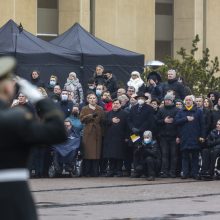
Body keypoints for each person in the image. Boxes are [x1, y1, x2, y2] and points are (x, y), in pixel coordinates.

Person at [0, 56, 66, 220]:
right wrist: (39, 98)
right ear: (8, 88)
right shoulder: (16, 118)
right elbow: (58, 131)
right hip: (13, 197)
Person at [175, 95, 205, 179]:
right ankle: (185, 173)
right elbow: (176, 122)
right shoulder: (181, 111)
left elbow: (202, 125)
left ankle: (194, 173)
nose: (188, 101)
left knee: (195, 157)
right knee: (185, 157)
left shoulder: (198, 111)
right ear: (185, 101)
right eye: (186, 100)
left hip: (195, 137)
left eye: (190, 100)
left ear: (193, 101)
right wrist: (185, 119)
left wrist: (202, 136)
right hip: (184, 137)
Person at [80, 93, 105, 176]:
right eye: (90, 98)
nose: (92, 99)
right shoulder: (84, 108)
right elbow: (82, 119)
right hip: (88, 131)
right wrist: (91, 116)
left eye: (94, 98)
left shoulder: (100, 108)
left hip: (97, 132)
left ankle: (95, 172)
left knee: (97, 152)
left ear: (96, 100)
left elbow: (103, 120)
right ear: (88, 100)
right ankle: (86, 172)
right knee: (87, 152)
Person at [103, 99, 128, 177]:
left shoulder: (125, 114)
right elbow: (104, 122)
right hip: (110, 137)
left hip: (120, 137)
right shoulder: (108, 113)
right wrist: (111, 121)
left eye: (117, 103)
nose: (115, 105)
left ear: (120, 105)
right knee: (111, 155)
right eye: (114, 103)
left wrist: (127, 137)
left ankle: (119, 170)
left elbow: (127, 126)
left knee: (119, 155)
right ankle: (111, 170)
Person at [156, 94, 179, 177]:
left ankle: (172, 172)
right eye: (166, 100)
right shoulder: (161, 110)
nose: (167, 101)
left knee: (174, 155)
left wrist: (178, 136)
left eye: (169, 100)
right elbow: (157, 121)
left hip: (174, 136)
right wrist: (164, 121)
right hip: (163, 136)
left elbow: (179, 123)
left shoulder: (177, 110)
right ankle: (164, 172)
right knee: (164, 155)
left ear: (172, 100)